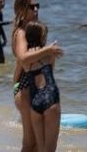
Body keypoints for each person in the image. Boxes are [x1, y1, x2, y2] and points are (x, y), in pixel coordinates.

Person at [11, 0, 63, 152]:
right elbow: (23, 58)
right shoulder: (21, 32)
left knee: (36, 145)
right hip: (26, 90)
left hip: (34, 90)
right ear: (22, 10)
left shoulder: (34, 29)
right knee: (30, 144)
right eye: (32, 7)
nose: (36, 9)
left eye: (37, 6)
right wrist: (48, 50)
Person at [24, 22, 60, 152]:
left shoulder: (25, 59)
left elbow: (16, 75)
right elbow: (51, 71)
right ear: (41, 37)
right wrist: (49, 49)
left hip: (35, 102)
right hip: (50, 98)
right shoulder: (50, 54)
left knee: (40, 148)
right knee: (50, 149)